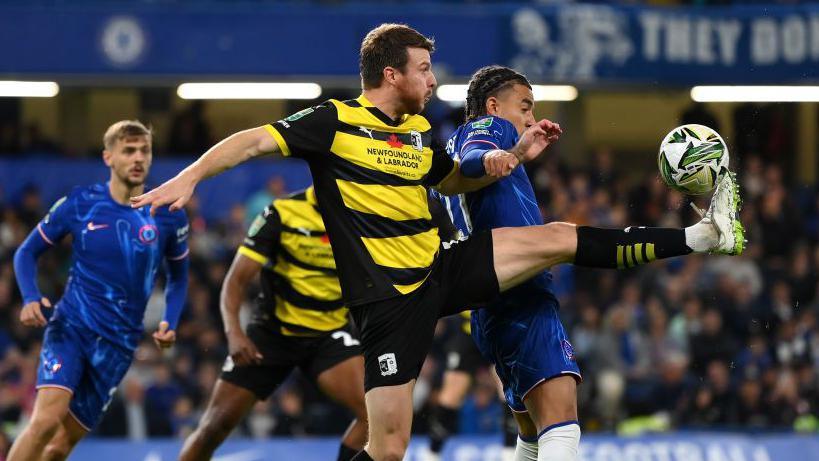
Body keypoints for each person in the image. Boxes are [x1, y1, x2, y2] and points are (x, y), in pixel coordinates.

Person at [131, 24, 744, 461]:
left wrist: (513, 155)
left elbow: (453, 174)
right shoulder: (334, 123)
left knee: (555, 238)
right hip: (389, 304)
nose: (432, 77)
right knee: (389, 447)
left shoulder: (422, 132)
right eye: (423, 68)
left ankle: (701, 234)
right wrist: (188, 178)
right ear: (391, 73)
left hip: (443, 269)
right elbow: (251, 142)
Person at [10, 120, 189, 461]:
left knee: (61, 445)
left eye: (145, 150)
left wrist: (171, 321)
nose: (138, 158)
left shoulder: (168, 214)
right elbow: (26, 252)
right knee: (46, 421)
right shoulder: (80, 203)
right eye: (129, 150)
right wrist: (30, 296)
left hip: (118, 346)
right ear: (109, 157)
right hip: (71, 328)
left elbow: (179, 277)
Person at [179, 187, 367, 461]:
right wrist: (234, 333)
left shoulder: (362, 218)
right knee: (213, 427)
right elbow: (235, 281)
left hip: (329, 334)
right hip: (272, 336)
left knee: (377, 416)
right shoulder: (281, 213)